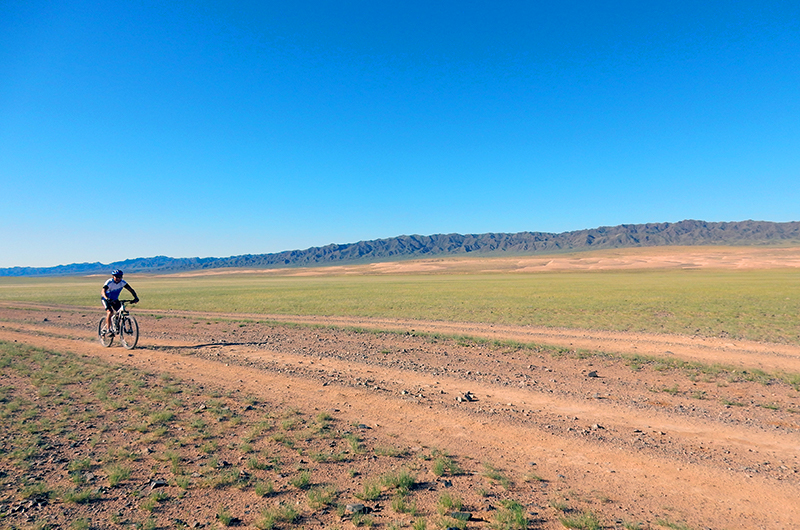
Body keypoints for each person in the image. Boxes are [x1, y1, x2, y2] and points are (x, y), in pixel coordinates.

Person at [101, 269, 139, 334]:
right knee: (110, 312)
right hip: (106, 299)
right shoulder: (109, 282)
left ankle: (115, 324)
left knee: (120, 312)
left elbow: (131, 290)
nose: (118, 278)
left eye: (120, 277)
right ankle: (108, 329)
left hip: (115, 300)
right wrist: (107, 298)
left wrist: (135, 297)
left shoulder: (123, 283)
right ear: (113, 276)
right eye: (117, 276)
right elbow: (103, 291)